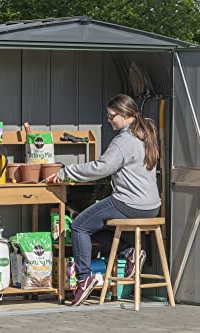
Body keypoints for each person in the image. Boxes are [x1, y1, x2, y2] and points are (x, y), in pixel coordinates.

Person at [50, 94, 161, 306]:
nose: (109, 121)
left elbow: (102, 167)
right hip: (151, 207)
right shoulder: (144, 134)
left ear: (126, 114)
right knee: (95, 227)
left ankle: (84, 279)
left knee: (80, 226)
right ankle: (129, 251)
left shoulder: (124, 140)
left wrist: (66, 172)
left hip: (128, 202)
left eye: (112, 116)